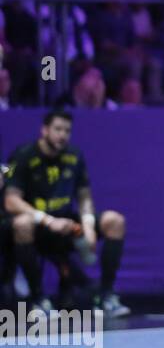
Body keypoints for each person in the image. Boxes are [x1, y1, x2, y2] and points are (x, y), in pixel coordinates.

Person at [2, 110, 129, 316]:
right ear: (44, 130)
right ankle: (38, 299)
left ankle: (106, 297)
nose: (62, 135)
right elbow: (11, 200)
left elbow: (84, 196)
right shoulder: (24, 155)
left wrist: (87, 226)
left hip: (66, 221)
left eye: (67, 131)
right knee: (22, 224)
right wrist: (47, 220)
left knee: (114, 221)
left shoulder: (74, 155)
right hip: (37, 223)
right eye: (58, 129)